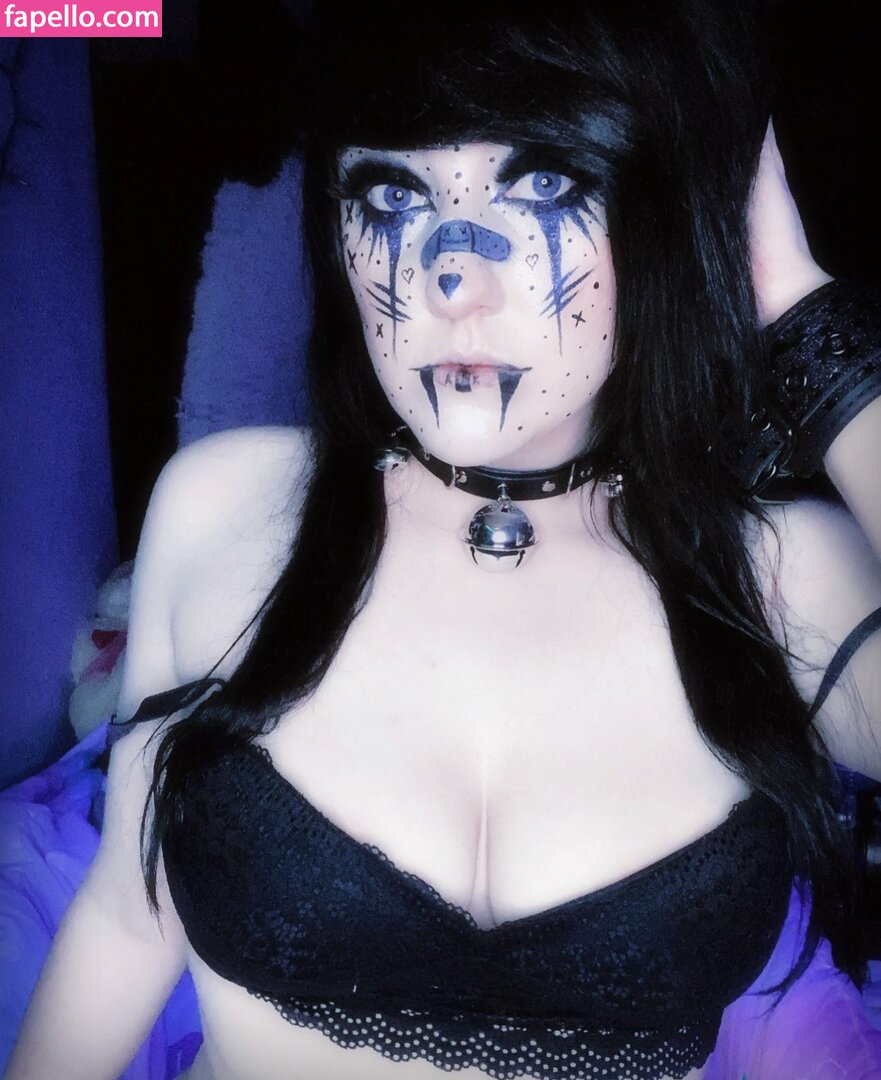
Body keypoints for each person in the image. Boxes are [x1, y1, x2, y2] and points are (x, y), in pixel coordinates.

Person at [6, 2, 881, 1078]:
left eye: (545, 184)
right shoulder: (223, 510)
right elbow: (127, 918)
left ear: (664, 211)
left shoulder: (777, 580)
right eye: (392, 194)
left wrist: (798, 309)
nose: (447, 279)